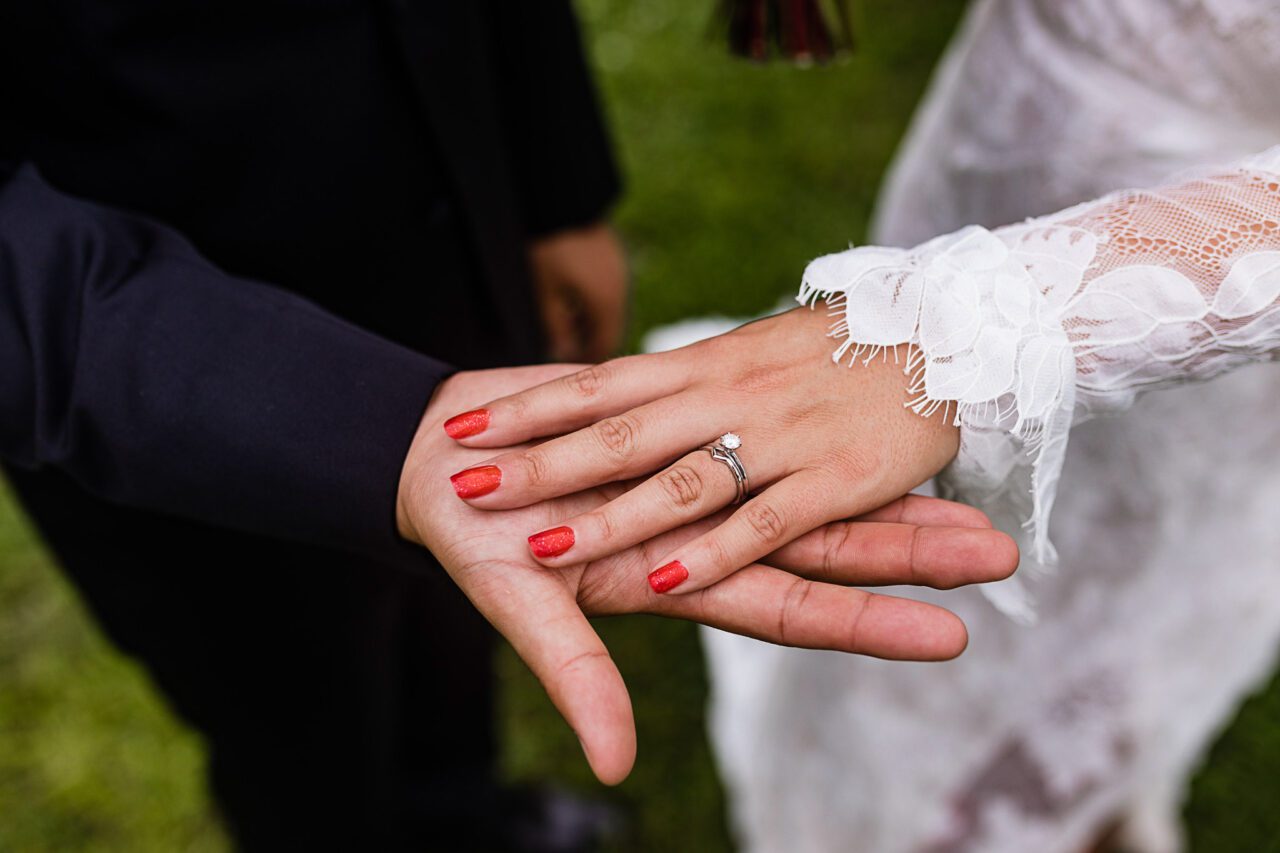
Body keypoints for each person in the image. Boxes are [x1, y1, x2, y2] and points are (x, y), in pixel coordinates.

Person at [0, 1, 1017, 848]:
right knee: (294, 709)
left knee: (468, 626)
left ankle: (464, 816)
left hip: (443, 204)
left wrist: (552, 185)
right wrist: (373, 432)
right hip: (153, 354)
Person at [446, 1, 1280, 850]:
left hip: (1204, 271)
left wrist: (967, 333)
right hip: (1024, 122)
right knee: (914, 570)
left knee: (1120, 591)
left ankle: (1073, 785)